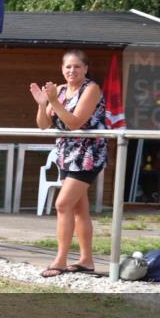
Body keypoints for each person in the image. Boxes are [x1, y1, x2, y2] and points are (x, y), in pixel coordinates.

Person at [30, 49, 108, 277]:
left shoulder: (91, 89)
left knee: (62, 204)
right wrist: (42, 103)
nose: (71, 71)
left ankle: (61, 260)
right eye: (67, 67)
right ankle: (86, 260)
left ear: (85, 68)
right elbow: (43, 125)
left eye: (76, 66)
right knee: (78, 209)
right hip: (66, 152)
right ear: (61, 70)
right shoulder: (61, 90)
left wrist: (53, 101)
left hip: (89, 153)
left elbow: (75, 122)